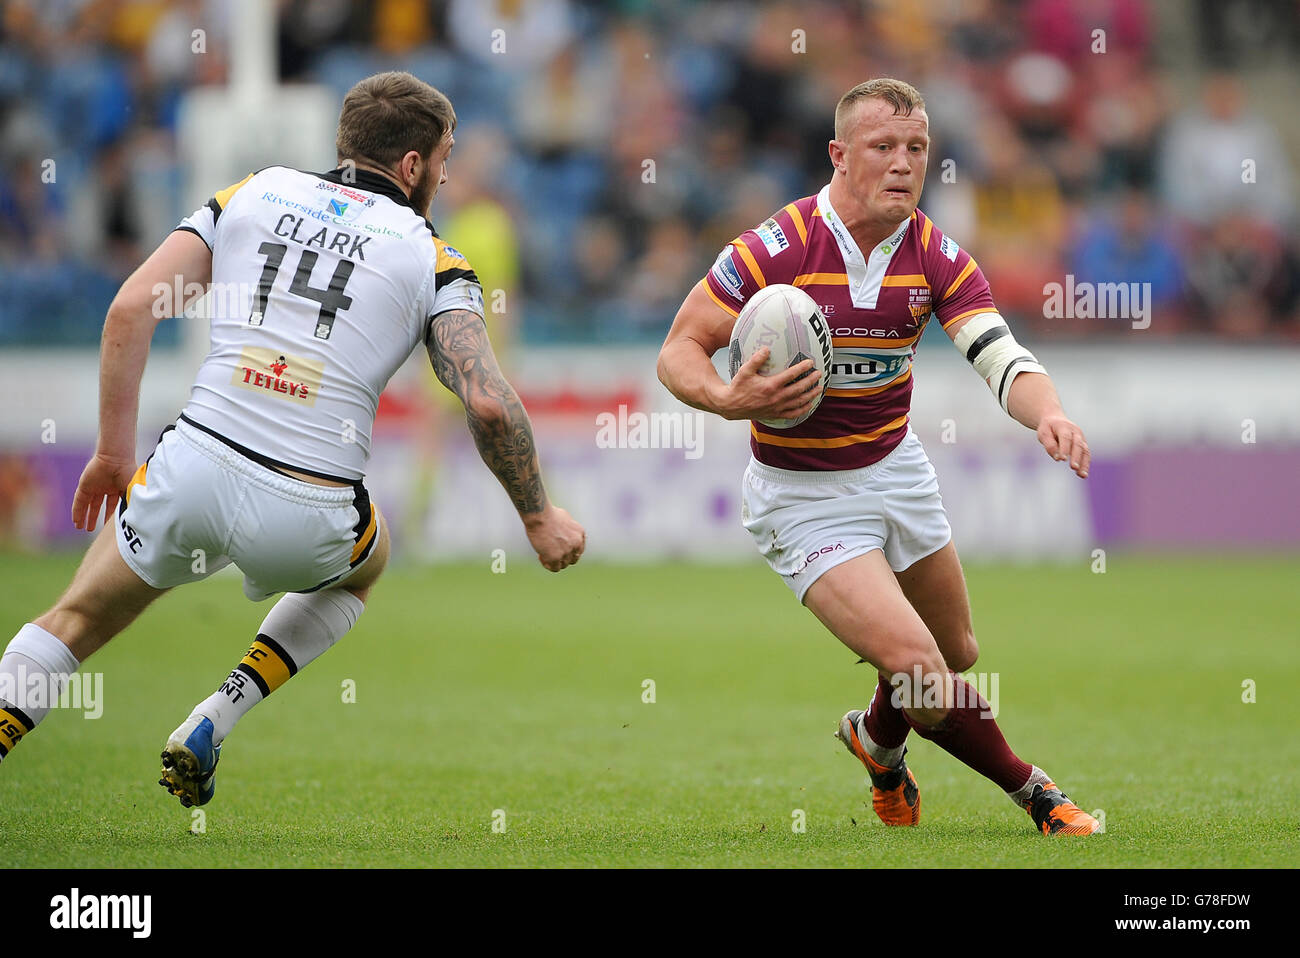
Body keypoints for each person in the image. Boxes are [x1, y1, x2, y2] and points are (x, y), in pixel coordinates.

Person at [0, 71, 586, 807]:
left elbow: (129, 310)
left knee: (74, 618)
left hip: (192, 464)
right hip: (307, 510)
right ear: (413, 165)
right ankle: (219, 711)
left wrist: (115, 454)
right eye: (445, 156)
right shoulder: (434, 256)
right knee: (366, 566)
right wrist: (538, 516)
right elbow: (490, 405)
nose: (447, 172)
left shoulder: (252, 192)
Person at [657, 78, 1099, 835]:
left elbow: (999, 355)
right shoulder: (779, 246)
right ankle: (1039, 795)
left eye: (917, 148)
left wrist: (1049, 411)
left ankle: (877, 742)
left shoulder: (936, 255)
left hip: (896, 471)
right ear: (838, 155)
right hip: (802, 497)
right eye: (883, 147)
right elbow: (679, 351)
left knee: (955, 650)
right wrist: (729, 399)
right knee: (918, 664)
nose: (903, 163)